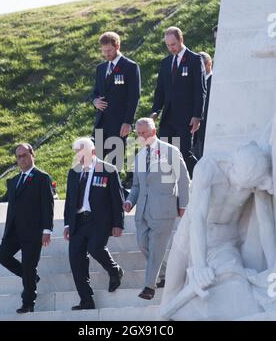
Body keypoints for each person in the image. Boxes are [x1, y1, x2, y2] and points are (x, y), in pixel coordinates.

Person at [160, 142, 276, 320]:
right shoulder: (208, 168)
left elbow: (266, 223)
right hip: (189, 235)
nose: (239, 190)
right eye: (239, 184)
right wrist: (199, 267)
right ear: (232, 168)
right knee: (171, 291)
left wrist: (273, 267)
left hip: (225, 241)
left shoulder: (255, 179)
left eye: (246, 187)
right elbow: (198, 217)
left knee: (231, 287)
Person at [123, 118, 190, 300]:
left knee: (156, 248)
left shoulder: (171, 151)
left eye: (143, 133)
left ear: (153, 132)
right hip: (143, 211)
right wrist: (130, 201)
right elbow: (136, 186)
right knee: (143, 245)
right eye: (138, 134)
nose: (140, 137)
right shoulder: (137, 157)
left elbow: (183, 180)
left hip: (164, 210)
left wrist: (183, 204)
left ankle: (149, 287)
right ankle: (164, 275)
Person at [64, 138, 124, 310]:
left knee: (95, 248)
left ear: (93, 152)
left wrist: (118, 223)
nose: (80, 156)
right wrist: (68, 224)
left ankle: (114, 270)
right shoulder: (74, 172)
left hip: (99, 221)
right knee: (76, 261)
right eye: (77, 153)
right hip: (78, 221)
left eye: (82, 152)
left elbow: (116, 199)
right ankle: (86, 300)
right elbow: (69, 200)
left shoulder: (108, 170)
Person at [0, 143, 54, 314]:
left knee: (29, 267)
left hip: (33, 232)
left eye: (24, 155)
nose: (22, 159)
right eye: (18, 156)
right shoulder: (13, 181)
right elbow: (8, 202)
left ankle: (28, 302)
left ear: (32, 155)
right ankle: (32, 279)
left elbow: (47, 205)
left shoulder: (42, 177)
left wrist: (47, 230)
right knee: (2, 256)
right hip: (13, 231)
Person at [150, 26, 206, 177]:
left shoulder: (195, 60)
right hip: (168, 117)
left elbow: (200, 90)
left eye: (173, 44)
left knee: (183, 153)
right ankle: (171, 186)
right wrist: (155, 111)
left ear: (181, 40)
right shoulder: (166, 62)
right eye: (168, 45)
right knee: (164, 152)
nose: (171, 48)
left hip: (186, 117)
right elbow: (160, 90)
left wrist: (197, 116)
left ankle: (201, 177)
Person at [92, 31, 141, 174]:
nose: (106, 54)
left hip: (119, 124)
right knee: (96, 164)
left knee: (115, 165)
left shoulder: (130, 67)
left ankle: (114, 194)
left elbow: (134, 97)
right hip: (101, 123)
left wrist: (128, 122)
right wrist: (95, 101)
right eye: (104, 51)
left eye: (109, 50)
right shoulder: (101, 68)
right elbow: (95, 92)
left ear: (117, 46)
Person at [195, 51, 213, 158]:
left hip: (207, 130)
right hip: (196, 131)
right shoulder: (195, 82)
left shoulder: (215, 82)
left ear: (208, 64)